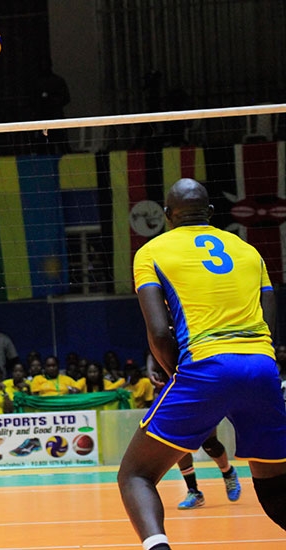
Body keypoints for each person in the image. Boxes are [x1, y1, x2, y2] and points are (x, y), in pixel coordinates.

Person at [118, 178, 286, 550]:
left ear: (167, 215)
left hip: (206, 366)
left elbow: (159, 332)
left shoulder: (151, 251)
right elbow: (270, 325)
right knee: (276, 489)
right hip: (261, 367)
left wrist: (183, 380)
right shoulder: (248, 251)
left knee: (135, 475)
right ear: (210, 212)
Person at [145, 354, 241, 510]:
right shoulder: (166, 339)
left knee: (209, 443)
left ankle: (228, 472)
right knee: (177, 443)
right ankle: (194, 492)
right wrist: (150, 371)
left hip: (199, 386)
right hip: (174, 390)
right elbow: (153, 350)